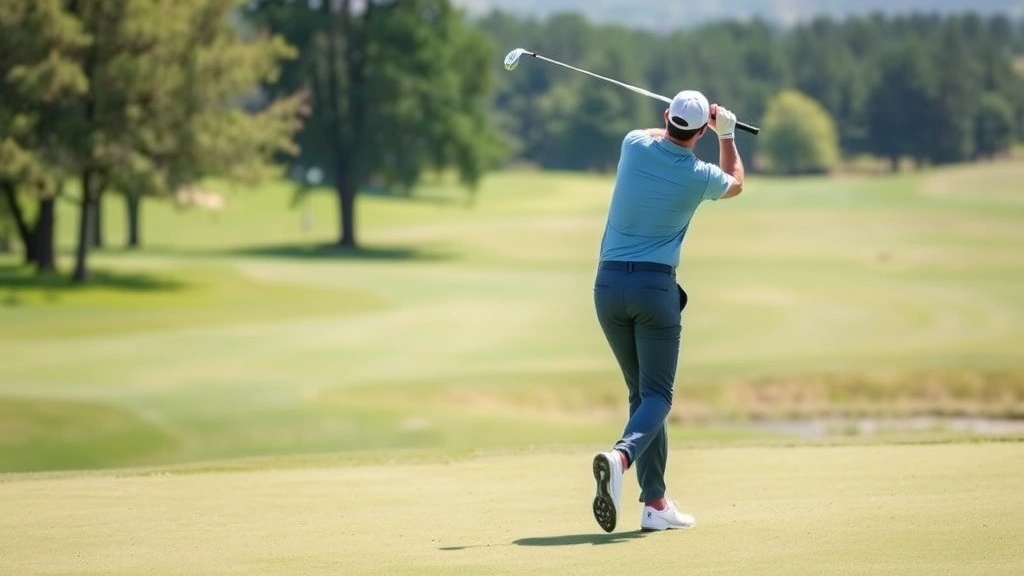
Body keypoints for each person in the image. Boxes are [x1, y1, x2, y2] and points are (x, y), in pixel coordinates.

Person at [590, 90, 745, 533]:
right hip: (654, 289)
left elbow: (662, 134)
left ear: (665, 116)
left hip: (607, 288)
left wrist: (689, 123)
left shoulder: (633, 144)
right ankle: (619, 457)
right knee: (659, 396)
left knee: (643, 396)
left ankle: (655, 504)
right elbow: (735, 182)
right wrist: (727, 133)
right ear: (699, 132)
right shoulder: (698, 175)